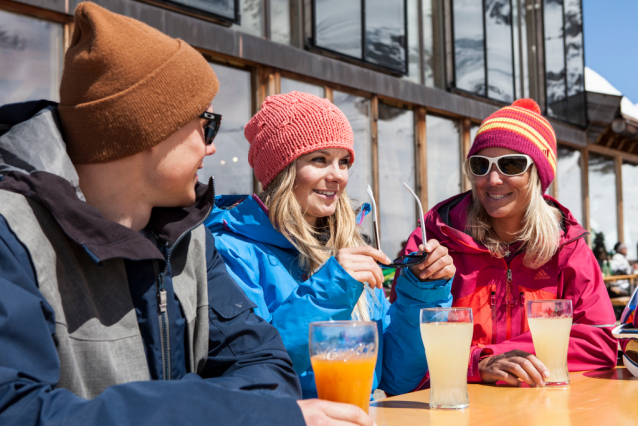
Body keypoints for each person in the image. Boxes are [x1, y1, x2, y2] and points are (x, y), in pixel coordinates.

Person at [0, 4, 375, 426]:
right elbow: (16, 411)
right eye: (205, 125)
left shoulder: (187, 236)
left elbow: (265, 363)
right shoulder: (11, 235)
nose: (211, 146)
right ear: (146, 131)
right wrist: (237, 415)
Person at [205, 91, 456, 398]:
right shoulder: (231, 250)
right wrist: (333, 287)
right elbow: (252, 367)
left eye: (344, 161)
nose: (337, 175)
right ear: (281, 171)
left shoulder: (349, 248)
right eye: (319, 159)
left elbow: (393, 377)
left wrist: (422, 290)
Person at [391, 99, 617, 389]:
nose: (493, 179)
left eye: (511, 164)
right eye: (480, 165)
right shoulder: (433, 241)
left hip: (541, 411)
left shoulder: (567, 247)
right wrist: (479, 364)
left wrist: (501, 357)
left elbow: (601, 341)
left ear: (538, 174)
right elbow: (402, 351)